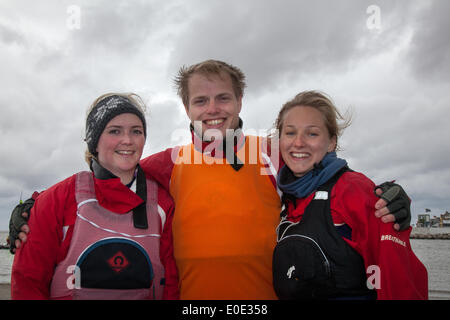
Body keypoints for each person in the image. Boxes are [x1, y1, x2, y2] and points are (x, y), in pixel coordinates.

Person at [9, 60, 412, 300]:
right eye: (200, 100)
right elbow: (109, 172)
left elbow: (323, 165)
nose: (212, 109)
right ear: (186, 107)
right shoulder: (171, 161)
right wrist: (34, 204)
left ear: (239, 103)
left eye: (223, 98)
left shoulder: (270, 153)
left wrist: (389, 195)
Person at [11, 93, 179, 300]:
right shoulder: (55, 200)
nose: (127, 140)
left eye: (136, 131)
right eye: (114, 131)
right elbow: (28, 283)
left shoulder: (163, 204)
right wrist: (32, 206)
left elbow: (172, 285)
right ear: (94, 141)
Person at [272, 91, 428, 300]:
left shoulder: (352, 189)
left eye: (312, 133)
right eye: (290, 133)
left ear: (331, 143)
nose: (298, 143)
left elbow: (398, 279)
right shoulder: (285, 195)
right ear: (279, 140)